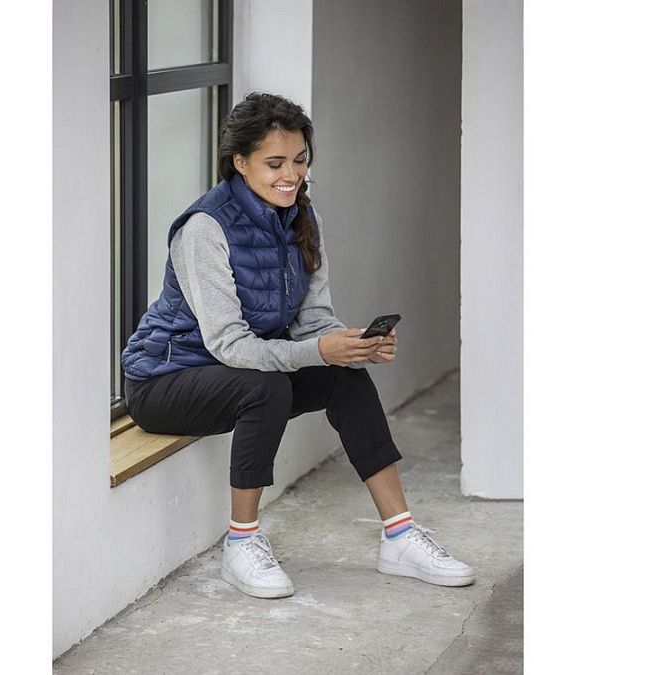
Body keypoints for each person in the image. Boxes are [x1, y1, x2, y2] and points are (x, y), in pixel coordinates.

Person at [121, 92, 475, 598]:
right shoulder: (204, 229)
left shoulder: (303, 217)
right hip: (165, 380)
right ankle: (242, 543)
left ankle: (400, 535)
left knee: (344, 377)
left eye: (300, 159)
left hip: (241, 369)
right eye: (275, 163)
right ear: (240, 162)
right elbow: (229, 345)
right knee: (266, 388)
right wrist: (318, 351)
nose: (291, 174)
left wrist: (352, 345)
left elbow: (313, 320)